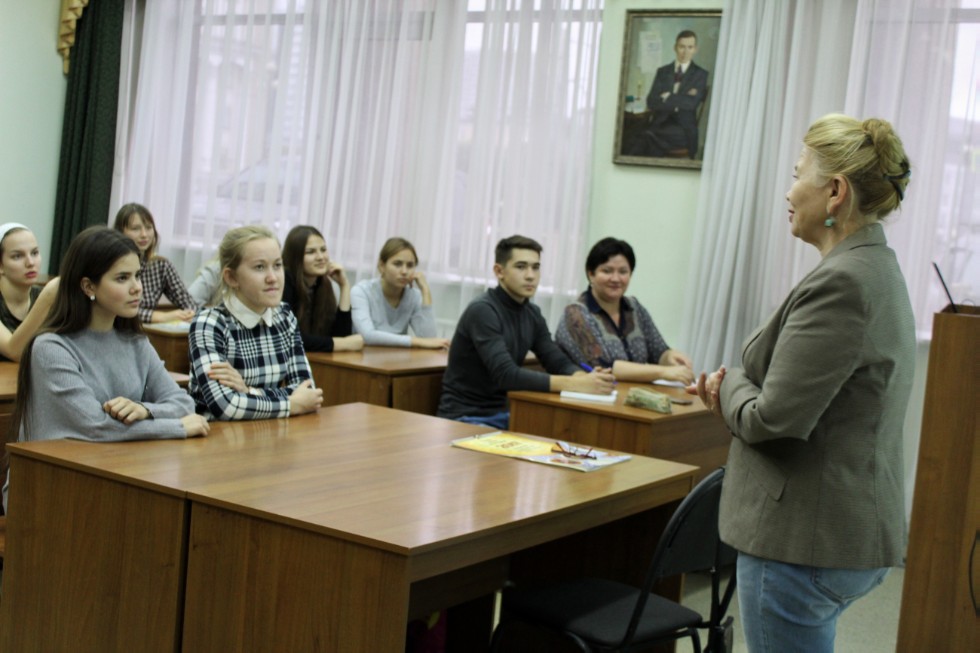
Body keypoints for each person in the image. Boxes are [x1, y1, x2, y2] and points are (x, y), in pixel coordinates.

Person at [693, 114, 914, 652]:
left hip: (801, 540)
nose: (789, 191)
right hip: (836, 529)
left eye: (798, 174)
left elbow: (772, 420)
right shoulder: (873, 267)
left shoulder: (842, 282)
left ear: (835, 191)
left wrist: (728, 387)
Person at [5, 227, 209, 509]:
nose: (137, 287)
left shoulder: (135, 341)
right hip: (47, 487)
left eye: (137, 275)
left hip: (109, 475)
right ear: (89, 287)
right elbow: (94, 426)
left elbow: (183, 402)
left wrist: (145, 410)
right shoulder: (51, 348)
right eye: (122, 278)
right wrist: (175, 427)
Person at [437, 235, 615, 429]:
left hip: (505, 415)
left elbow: (556, 360)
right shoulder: (483, 310)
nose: (530, 275)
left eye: (535, 267)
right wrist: (577, 385)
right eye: (521, 267)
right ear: (499, 271)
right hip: (464, 418)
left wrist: (585, 378)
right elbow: (506, 375)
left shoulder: (532, 313)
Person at [188, 225, 323, 421]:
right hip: (217, 442)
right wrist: (291, 403)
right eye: (260, 267)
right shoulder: (209, 323)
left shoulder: (284, 316)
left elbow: (308, 391)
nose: (273, 278)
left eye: (277, 265)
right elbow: (225, 406)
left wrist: (250, 391)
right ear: (231, 277)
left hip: (271, 436)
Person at [555, 237, 694, 384]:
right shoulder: (575, 314)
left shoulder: (634, 307)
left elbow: (658, 351)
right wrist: (663, 372)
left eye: (623, 272)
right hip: (594, 399)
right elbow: (604, 367)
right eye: (607, 271)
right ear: (591, 274)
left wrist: (670, 357)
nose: (616, 279)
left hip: (635, 397)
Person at [350, 237, 449, 349]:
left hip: (398, 360)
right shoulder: (361, 291)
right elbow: (367, 336)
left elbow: (429, 339)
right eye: (397, 264)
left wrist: (425, 291)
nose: (404, 271)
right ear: (382, 266)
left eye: (410, 265)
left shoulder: (414, 296)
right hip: (362, 359)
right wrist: (415, 341)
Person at [627, 30, 709, 158]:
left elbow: (691, 104)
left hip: (683, 130)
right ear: (675, 48)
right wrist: (680, 99)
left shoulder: (701, 74)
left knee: (644, 136)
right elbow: (651, 101)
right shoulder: (663, 71)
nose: (685, 52)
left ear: (695, 49)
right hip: (660, 123)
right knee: (634, 134)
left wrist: (668, 97)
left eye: (690, 47)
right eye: (682, 47)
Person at [281, 225, 363, 352]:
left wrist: (344, 286)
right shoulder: (284, 282)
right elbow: (289, 337)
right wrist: (342, 344)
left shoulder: (322, 284)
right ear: (295, 256)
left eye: (323, 250)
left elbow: (340, 335)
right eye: (310, 252)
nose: (321, 257)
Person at [113, 203, 199, 323]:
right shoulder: (112, 264)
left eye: (148, 228)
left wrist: (189, 313)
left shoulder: (160, 265)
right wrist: (159, 316)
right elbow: (116, 309)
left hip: (148, 333)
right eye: (136, 229)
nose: (144, 235)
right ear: (120, 232)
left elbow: (188, 302)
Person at [0, 223, 60, 361]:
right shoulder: (48, 296)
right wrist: (47, 298)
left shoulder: (45, 295)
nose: (30, 262)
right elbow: (14, 351)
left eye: (34, 253)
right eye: (17, 256)